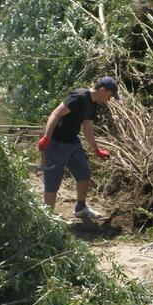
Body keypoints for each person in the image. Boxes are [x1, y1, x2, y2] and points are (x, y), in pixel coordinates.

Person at [37, 76, 119, 218]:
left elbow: (87, 129)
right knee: (53, 182)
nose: (109, 99)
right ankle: (47, 218)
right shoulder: (79, 96)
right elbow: (56, 113)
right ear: (102, 90)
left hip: (73, 143)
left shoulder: (93, 104)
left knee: (84, 174)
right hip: (56, 143)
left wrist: (96, 150)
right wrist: (46, 137)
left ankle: (80, 208)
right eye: (110, 95)